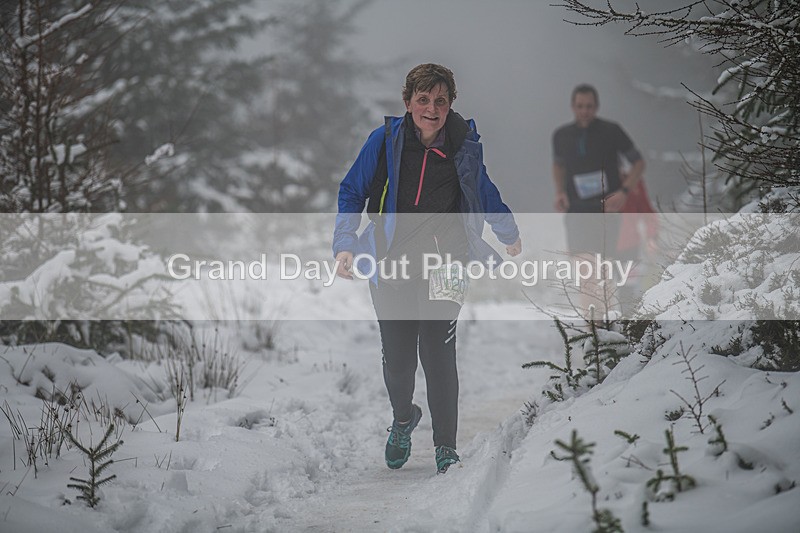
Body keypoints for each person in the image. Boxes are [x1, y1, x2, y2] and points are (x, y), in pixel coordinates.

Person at [332, 64, 521, 474]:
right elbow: (352, 190)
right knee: (399, 363)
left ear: (451, 104)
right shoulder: (384, 141)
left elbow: (483, 190)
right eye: (423, 100)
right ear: (407, 103)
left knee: (438, 355)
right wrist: (345, 244)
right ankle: (404, 418)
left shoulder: (463, 145)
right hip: (392, 263)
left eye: (440, 100)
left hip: (447, 263)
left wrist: (507, 230)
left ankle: (445, 447)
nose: (431, 109)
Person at [551, 84, 645, 318]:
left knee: (605, 273)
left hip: (607, 213)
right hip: (577, 211)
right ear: (573, 107)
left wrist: (624, 191)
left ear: (597, 107)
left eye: (589, 106)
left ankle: (610, 325)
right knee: (586, 273)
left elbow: (638, 162)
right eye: (580, 106)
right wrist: (560, 191)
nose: (584, 111)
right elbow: (558, 165)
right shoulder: (561, 136)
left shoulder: (611, 131)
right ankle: (593, 326)